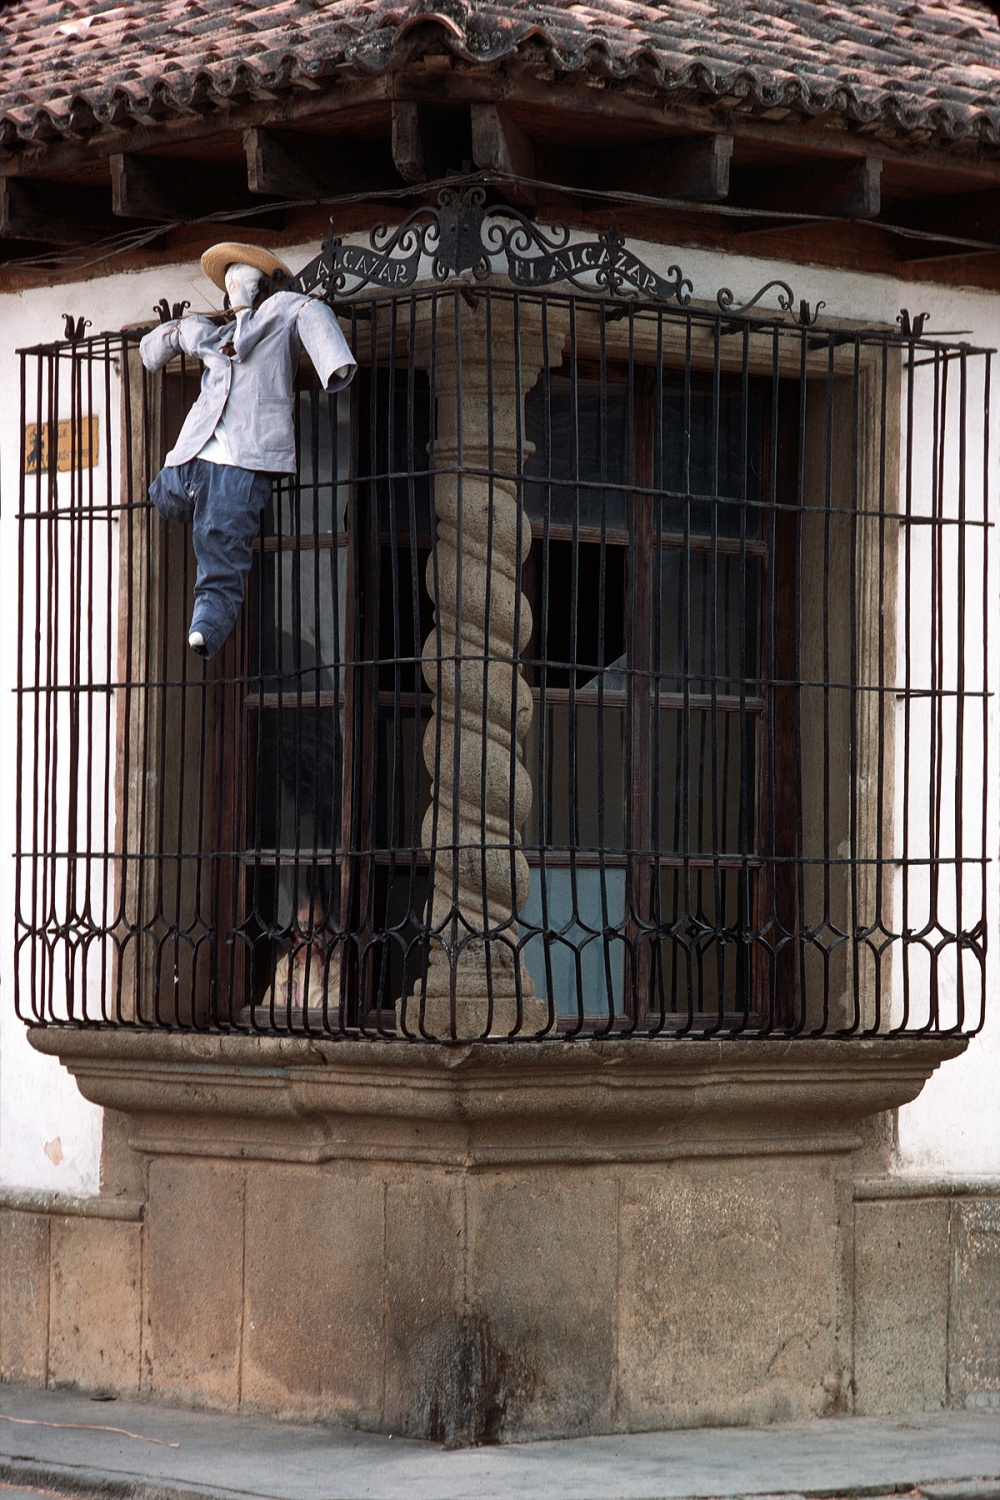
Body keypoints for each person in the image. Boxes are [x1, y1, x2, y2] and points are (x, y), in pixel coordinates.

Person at [138, 241, 357, 657]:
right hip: (190, 455)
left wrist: (334, 363)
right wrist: (152, 350)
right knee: (164, 496)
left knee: (221, 546)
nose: (235, 288)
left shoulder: (280, 313)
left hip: (240, 460)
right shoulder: (216, 334)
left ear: (263, 287)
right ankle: (189, 500)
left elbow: (311, 314)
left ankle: (206, 625)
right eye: (231, 282)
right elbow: (182, 332)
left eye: (244, 281)